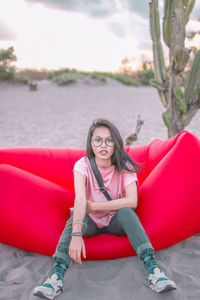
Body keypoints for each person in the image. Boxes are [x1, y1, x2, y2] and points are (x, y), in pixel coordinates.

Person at [33, 118, 176, 299]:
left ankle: (154, 271)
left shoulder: (125, 166)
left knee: (126, 211)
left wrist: (93, 206)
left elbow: (132, 201)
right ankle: (56, 278)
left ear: (116, 143)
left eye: (109, 140)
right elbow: (80, 200)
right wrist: (77, 235)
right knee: (76, 217)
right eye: (98, 140)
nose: (103, 145)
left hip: (117, 221)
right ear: (90, 143)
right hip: (90, 222)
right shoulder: (82, 165)